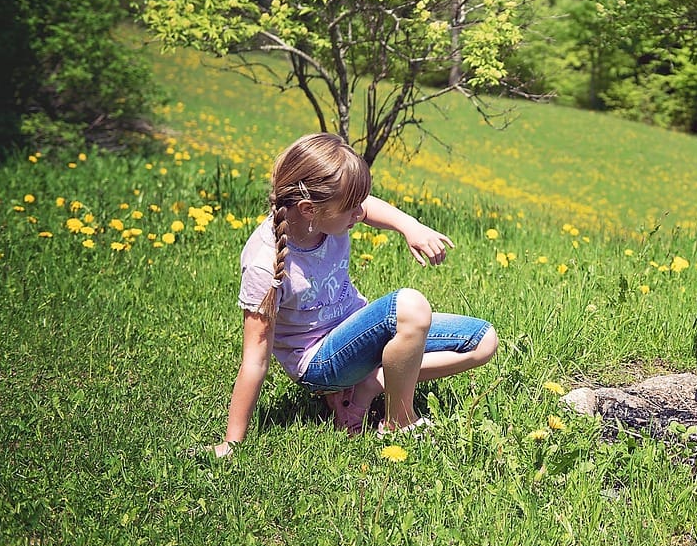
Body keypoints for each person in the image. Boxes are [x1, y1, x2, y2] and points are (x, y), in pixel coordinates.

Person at [211, 133, 497, 457]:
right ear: (308, 209)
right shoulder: (265, 263)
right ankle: (399, 421)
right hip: (320, 364)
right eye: (351, 209)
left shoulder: (323, 216)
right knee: (410, 307)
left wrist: (410, 226)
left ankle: (369, 386)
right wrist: (231, 442)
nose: (360, 214)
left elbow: (366, 206)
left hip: (355, 336)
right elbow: (255, 359)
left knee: (483, 341)